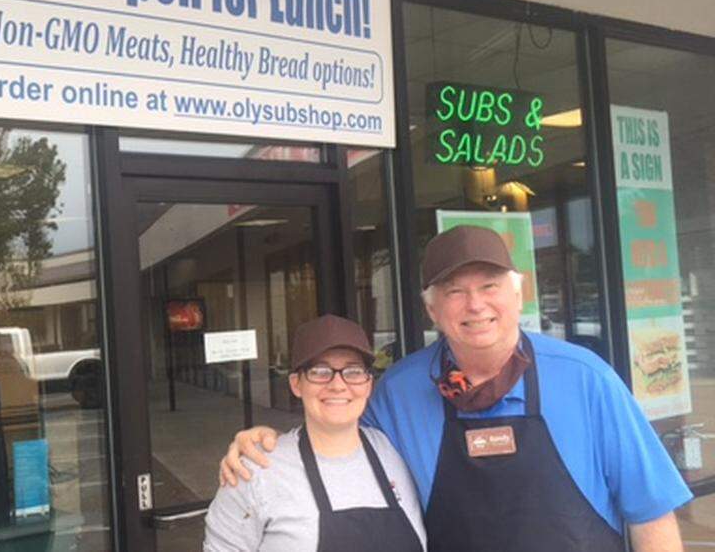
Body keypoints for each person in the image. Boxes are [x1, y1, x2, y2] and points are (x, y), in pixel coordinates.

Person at [219, 225, 692, 551]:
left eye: (489, 286)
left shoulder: (585, 378)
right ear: (432, 309)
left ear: (517, 294)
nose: (475, 305)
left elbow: (650, 513)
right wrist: (264, 441)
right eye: (453, 291)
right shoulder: (401, 390)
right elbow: (333, 432)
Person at [204, 314, 425, 551]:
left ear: (368, 383)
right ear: (296, 384)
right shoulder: (256, 470)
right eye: (320, 371)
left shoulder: (392, 448)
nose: (338, 385)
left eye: (353, 371)